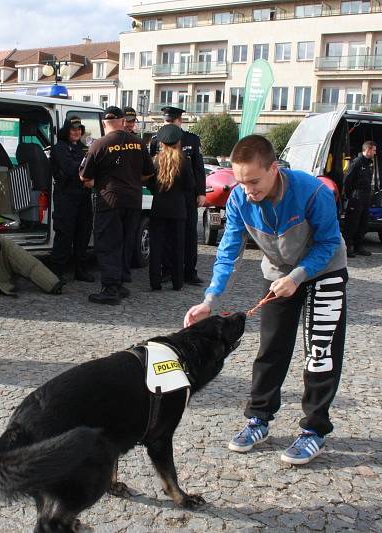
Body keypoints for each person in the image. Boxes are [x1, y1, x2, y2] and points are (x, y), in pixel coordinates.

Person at [184, 135, 348, 466]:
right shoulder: (239, 199)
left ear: (274, 168)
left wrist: (299, 276)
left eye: (254, 181)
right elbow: (229, 250)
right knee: (271, 348)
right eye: (240, 182)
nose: (247, 190)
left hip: (325, 269)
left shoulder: (313, 192)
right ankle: (258, 419)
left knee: (320, 351)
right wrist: (210, 299)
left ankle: (314, 429)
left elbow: (328, 241)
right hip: (277, 273)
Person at [80, 106, 154, 304]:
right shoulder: (139, 144)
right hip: (133, 200)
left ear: (105, 123)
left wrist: (104, 182)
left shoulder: (99, 144)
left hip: (109, 200)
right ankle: (120, 283)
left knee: (107, 243)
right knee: (126, 241)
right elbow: (148, 174)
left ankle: (110, 289)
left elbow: (85, 178)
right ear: (122, 121)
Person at [149, 106, 206, 285]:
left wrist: (201, 192)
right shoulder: (156, 140)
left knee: (189, 234)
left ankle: (189, 271)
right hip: (167, 194)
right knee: (165, 237)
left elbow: (198, 168)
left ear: (179, 121)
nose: (168, 125)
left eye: (172, 122)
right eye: (166, 121)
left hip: (187, 195)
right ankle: (167, 269)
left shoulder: (191, 139)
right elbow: (151, 170)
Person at [145, 124, 193, 291]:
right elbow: (190, 185)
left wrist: (158, 191)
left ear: (162, 143)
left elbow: (149, 182)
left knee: (156, 246)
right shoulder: (184, 161)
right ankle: (177, 282)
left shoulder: (156, 160)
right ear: (178, 142)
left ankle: (155, 282)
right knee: (178, 246)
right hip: (178, 209)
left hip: (158, 207)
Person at [49, 116, 93, 282]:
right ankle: (56, 273)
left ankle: (80, 270)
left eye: (79, 129)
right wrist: (86, 167)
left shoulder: (84, 148)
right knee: (64, 235)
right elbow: (69, 168)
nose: (76, 132)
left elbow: (89, 165)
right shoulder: (59, 148)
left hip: (83, 197)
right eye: (73, 129)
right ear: (66, 131)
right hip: (65, 196)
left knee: (83, 234)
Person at [342, 141, 377, 257]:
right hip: (356, 197)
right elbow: (347, 180)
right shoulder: (357, 162)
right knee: (352, 224)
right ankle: (346, 248)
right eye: (374, 150)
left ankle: (358, 246)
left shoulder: (369, 163)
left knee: (363, 223)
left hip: (366, 197)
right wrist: (349, 195)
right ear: (368, 150)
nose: (375, 153)